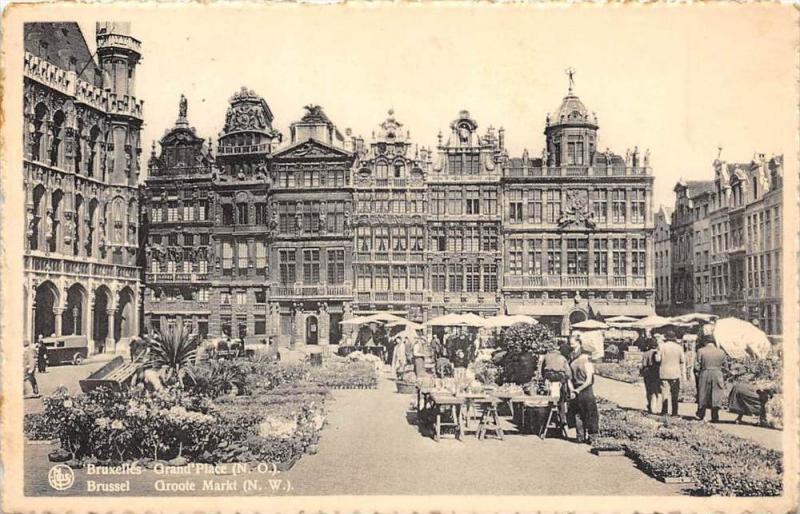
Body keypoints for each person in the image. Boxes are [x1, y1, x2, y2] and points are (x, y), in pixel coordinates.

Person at [567, 338, 599, 444]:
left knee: (578, 413)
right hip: (586, 390)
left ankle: (580, 436)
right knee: (591, 413)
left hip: (575, 389)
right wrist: (579, 390)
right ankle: (592, 437)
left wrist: (573, 390)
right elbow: (589, 381)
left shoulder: (572, 363)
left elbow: (568, 379)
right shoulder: (587, 363)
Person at [695, 337, 727, 422]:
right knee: (716, 394)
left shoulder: (701, 351)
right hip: (717, 374)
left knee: (703, 393)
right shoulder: (721, 352)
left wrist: (698, 375)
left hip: (705, 373)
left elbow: (696, 366)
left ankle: (702, 415)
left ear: (706, 342)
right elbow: (726, 367)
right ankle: (715, 416)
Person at [655, 330, 685, 416]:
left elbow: (658, 359)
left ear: (666, 338)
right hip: (675, 373)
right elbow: (682, 360)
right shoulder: (679, 347)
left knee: (665, 393)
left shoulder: (661, 346)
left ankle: (664, 411)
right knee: (675, 394)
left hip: (664, 372)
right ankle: (674, 412)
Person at [639, 337, 661, 413]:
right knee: (655, 391)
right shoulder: (658, 353)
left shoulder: (645, 353)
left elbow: (644, 365)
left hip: (648, 373)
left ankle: (650, 405)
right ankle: (653, 407)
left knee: (648, 391)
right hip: (656, 373)